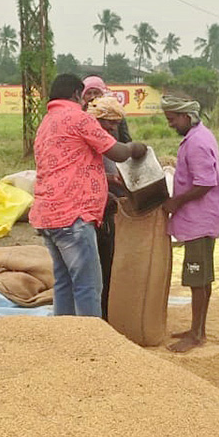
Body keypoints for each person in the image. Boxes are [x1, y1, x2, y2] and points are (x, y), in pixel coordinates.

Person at [31, 74, 147, 317]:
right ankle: (91, 347)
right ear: (76, 94)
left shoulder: (46, 122)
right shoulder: (78, 118)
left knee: (64, 283)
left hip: (48, 215)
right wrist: (136, 148)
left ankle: (65, 337)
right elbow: (116, 152)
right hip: (73, 216)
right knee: (88, 286)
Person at [160, 96, 219, 353]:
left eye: (172, 119)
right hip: (203, 215)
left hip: (201, 217)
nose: (170, 124)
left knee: (196, 275)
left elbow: (205, 182)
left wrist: (176, 202)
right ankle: (196, 328)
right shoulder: (199, 135)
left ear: (186, 117)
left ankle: (197, 334)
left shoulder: (196, 143)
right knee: (202, 276)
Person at [90, 96, 130, 319]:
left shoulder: (107, 137)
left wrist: (110, 179)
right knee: (96, 271)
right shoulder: (90, 138)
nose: (113, 128)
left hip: (107, 208)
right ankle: (98, 319)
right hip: (94, 211)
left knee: (107, 266)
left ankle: (105, 314)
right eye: (109, 123)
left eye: (116, 124)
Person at [82, 75, 131, 142]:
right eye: (88, 93)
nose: (92, 97)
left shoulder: (115, 113)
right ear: (83, 96)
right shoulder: (80, 115)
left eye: (96, 93)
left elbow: (126, 140)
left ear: (103, 94)